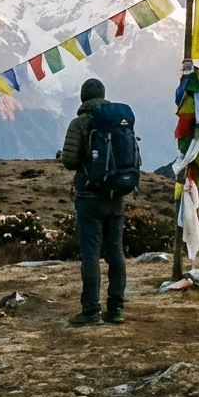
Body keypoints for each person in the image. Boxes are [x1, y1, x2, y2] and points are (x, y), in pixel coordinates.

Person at [60, 77, 126, 326]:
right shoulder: (118, 123)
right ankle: (116, 309)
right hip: (116, 197)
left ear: (82, 98)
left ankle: (91, 311)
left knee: (90, 255)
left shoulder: (79, 124)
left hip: (89, 199)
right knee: (116, 253)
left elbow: (69, 160)